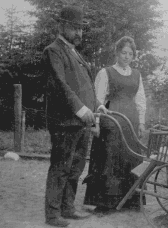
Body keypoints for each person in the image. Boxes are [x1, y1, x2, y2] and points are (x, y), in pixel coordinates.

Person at [42, 5, 106, 227]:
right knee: (60, 167)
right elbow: (60, 86)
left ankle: (68, 208)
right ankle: (52, 215)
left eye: (81, 28)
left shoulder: (75, 52)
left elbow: (84, 86)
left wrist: (97, 104)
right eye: (74, 28)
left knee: (76, 167)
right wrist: (81, 109)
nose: (79, 33)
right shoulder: (53, 51)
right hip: (65, 121)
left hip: (82, 122)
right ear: (62, 26)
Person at [83, 36, 146, 211]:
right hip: (111, 120)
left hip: (131, 121)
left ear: (133, 56)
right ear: (117, 53)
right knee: (110, 157)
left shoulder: (136, 75)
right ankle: (105, 202)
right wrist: (95, 122)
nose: (126, 56)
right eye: (123, 53)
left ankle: (130, 200)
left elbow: (141, 100)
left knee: (131, 157)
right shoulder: (106, 72)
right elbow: (97, 99)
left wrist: (141, 122)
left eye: (130, 54)